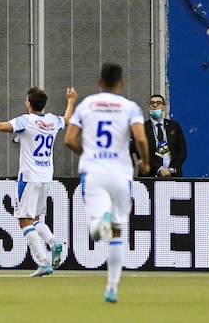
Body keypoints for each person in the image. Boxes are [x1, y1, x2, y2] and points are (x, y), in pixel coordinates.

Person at [0, 86, 77, 277]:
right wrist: (71, 101)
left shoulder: (26, 121)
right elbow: (68, 119)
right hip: (46, 176)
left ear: (28, 103)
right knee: (36, 218)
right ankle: (53, 242)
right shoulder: (53, 121)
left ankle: (43, 261)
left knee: (24, 220)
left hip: (29, 177)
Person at [64, 63, 150, 303]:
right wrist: (144, 161)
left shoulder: (86, 105)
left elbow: (69, 139)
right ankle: (112, 287)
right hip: (121, 175)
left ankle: (98, 223)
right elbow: (141, 138)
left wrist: (86, 154)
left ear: (99, 83)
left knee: (97, 224)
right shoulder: (130, 107)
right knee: (117, 233)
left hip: (94, 173)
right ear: (121, 83)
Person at [135, 94, 187, 177]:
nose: (155, 105)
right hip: (150, 175)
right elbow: (140, 152)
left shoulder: (174, 126)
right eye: (152, 103)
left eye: (158, 103)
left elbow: (182, 150)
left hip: (172, 174)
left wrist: (173, 168)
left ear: (163, 107)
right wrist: (159, 169)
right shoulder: (142, 128)